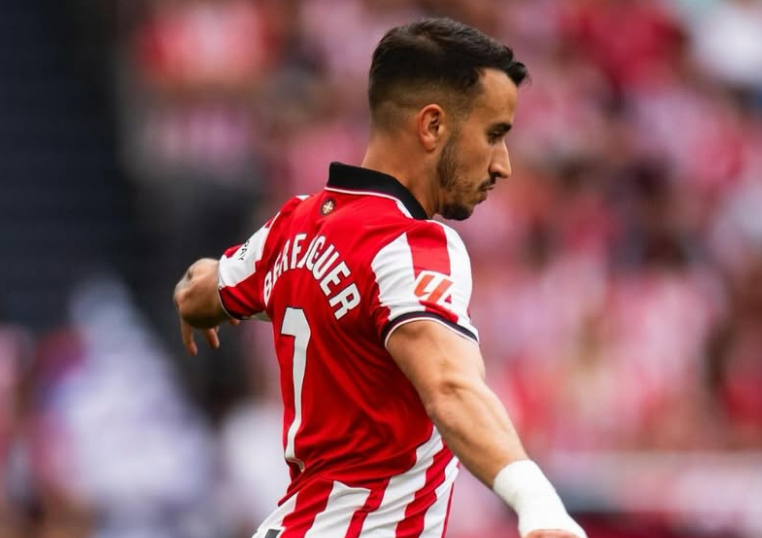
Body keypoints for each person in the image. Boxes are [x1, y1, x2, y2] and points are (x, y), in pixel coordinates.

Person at [174, 17, 588, 538]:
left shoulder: (293, 226)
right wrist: (538, 504)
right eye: (494, 135)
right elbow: (449, 385)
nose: (502, 165)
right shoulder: (410, 244)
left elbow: (201, 293)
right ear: (432, 126)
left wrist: (196, 294)